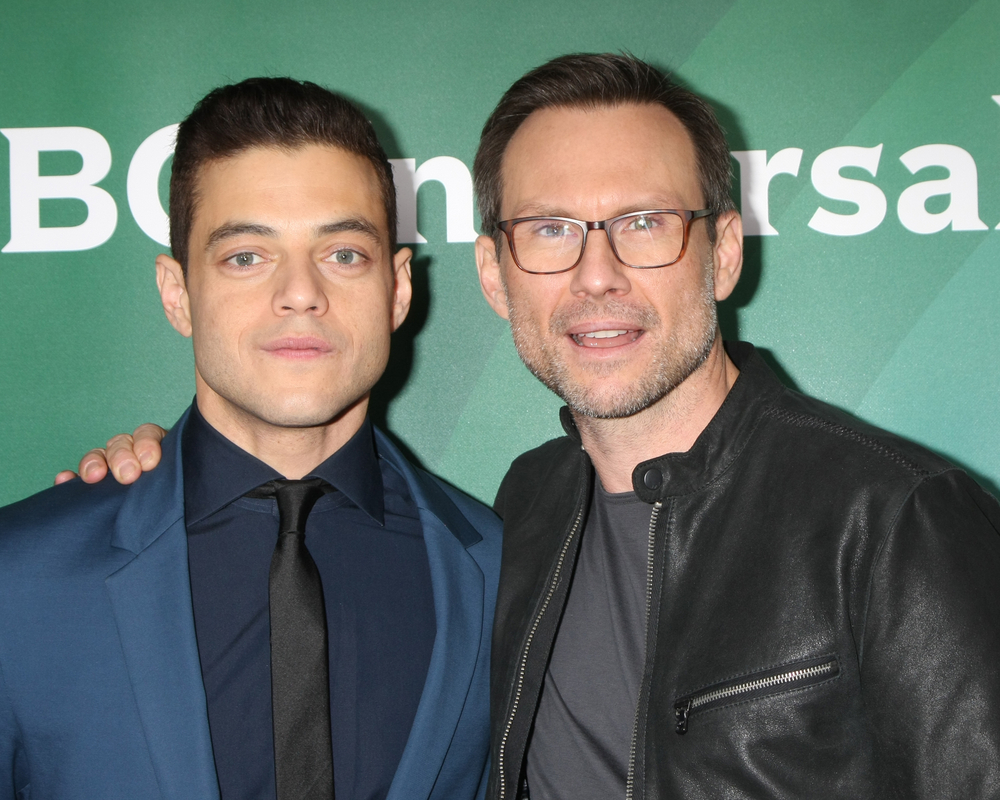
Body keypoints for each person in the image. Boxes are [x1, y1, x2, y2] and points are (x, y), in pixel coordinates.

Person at [67, 55, 1000, 799]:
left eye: (642, 222)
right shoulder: (515, 516)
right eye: (551, 230)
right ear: (491, 271)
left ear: (720, 252)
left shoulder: (897, 519)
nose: (598, 275)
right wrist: (167, 473)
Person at [1, 77, 500, 800]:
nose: (300, 292)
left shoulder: (497, 568)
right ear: (177, 295)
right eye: (246, 256)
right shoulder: (19, 581)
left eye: (343, 254)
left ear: (397, 289)